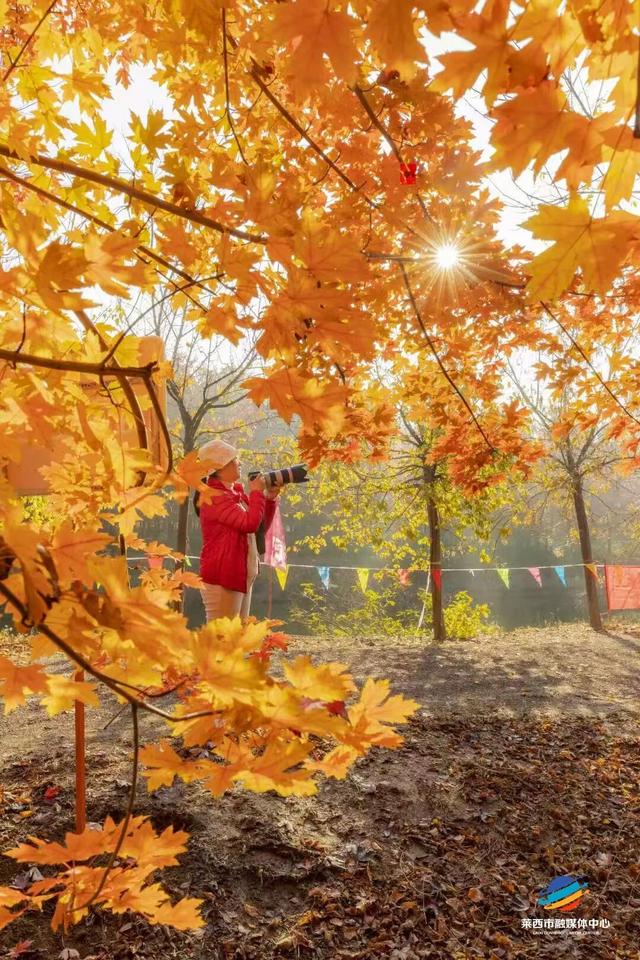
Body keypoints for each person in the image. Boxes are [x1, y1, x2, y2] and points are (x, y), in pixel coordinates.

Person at [197, 439, 281, 623]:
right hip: (223, 577)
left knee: (238, 635)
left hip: (240, 575)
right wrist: (256, 492)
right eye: (235, 459)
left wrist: (269, 499)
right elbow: (249, 524)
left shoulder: (235, 494)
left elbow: (258, 528)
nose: (240, 462)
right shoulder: (214, 496)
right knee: (223, 637)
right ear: (220, 467)